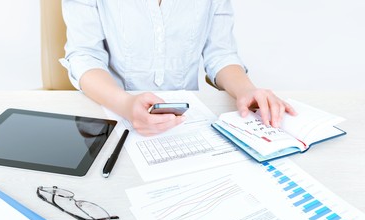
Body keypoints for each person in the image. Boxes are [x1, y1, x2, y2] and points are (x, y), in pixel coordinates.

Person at [61, 0, 296, 136]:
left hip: (185, 121)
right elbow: (85, 55)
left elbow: (220, 53)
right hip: (111, 115)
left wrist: (246, 90)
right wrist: (125, 104)